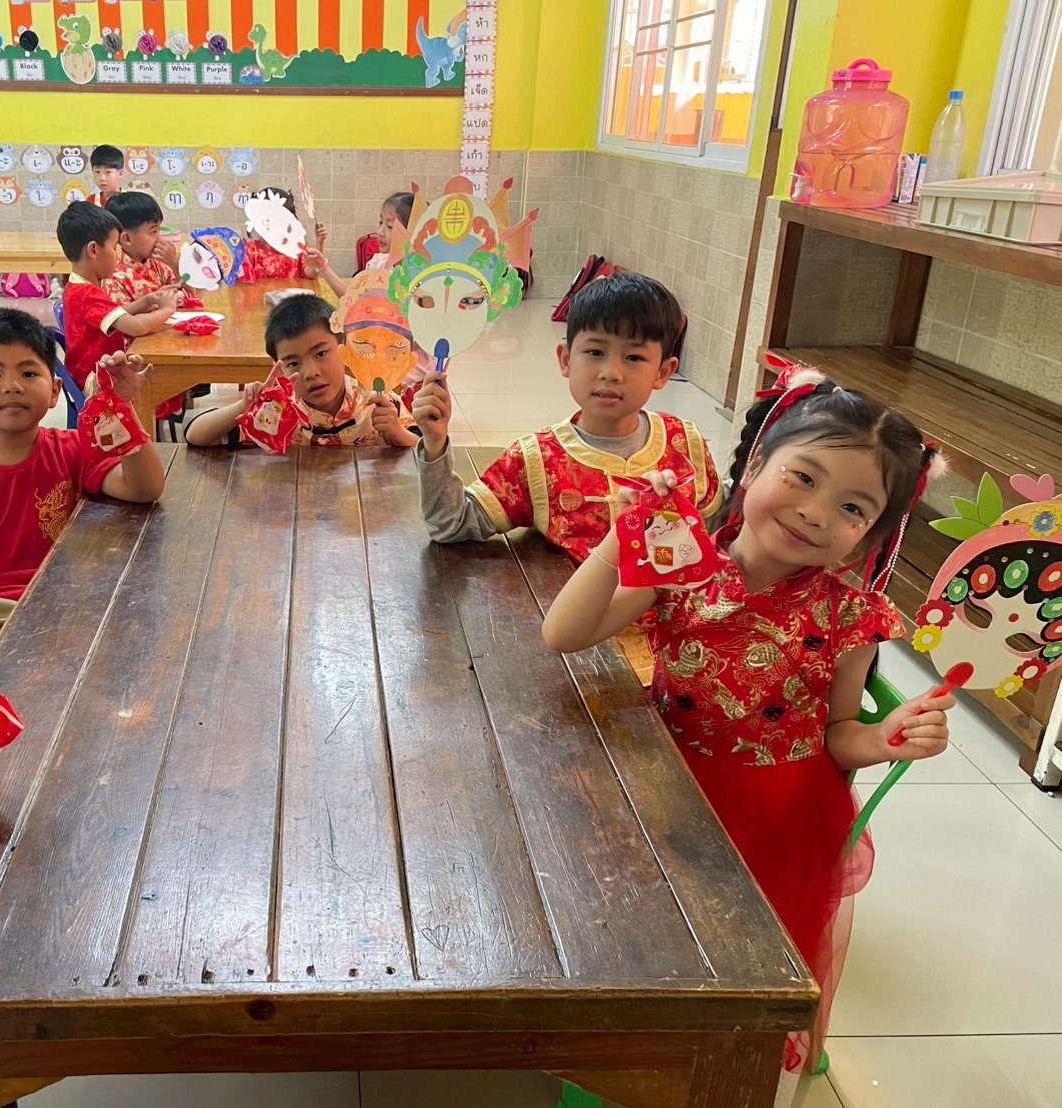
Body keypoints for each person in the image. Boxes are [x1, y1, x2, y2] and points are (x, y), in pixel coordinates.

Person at [541, 373, 953, 1091]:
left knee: (741, 956)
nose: (814, 513)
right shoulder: (684, 563)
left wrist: (885, 737)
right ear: (756, 464)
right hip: (664, 789)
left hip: (778, 812)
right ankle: (636, 1040)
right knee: (649, 931)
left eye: (852, 507)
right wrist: (620, 538)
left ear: (869, 535)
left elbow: (839, 733)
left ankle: (717, 1058)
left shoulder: (850, 614)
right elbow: (563, 635)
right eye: (803, 476)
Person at [0, 309, 166, 674]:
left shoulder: (73, 449)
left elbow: (145, 488)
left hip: (71, 603)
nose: (12, 385)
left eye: (29, 373)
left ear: (55, 392)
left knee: (130, 671)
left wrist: (120, 407)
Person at [413, 272, 722, 559]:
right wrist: (435, 444)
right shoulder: (537, 460)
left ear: (663, 372)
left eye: (634, 357)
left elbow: (718, 536)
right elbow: (450, 524)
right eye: (596, 352)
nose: (611, 373)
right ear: (565, 359)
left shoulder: (685, 444)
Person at [186, 293, 417, 448]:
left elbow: (425, 450)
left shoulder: (379, 403)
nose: (310, 373)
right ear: (280, 370)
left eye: (321, 354)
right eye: (293, 364)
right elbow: (195, 435)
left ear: (344, 349)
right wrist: (243, 407)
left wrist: (400, 435)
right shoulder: (275, 413)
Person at [58, 200, 177, 393]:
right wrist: (168, 309)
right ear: (93, 250)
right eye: (114, 248)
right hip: (94, 381)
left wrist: (147, 300)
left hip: (91, 372)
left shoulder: (77, 286)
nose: (117, 255)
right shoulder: (87, 294)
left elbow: (114, 314)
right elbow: (136, 327)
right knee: (158, 381)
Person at [101, 189, 182, 306]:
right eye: (153, 232)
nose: (159, 239)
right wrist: (154, 304)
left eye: (159, 231)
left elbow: (190, 297)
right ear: (127, 239)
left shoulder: (154, 264)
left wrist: (174, 263)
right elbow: (121, 317)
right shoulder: (112, 275)